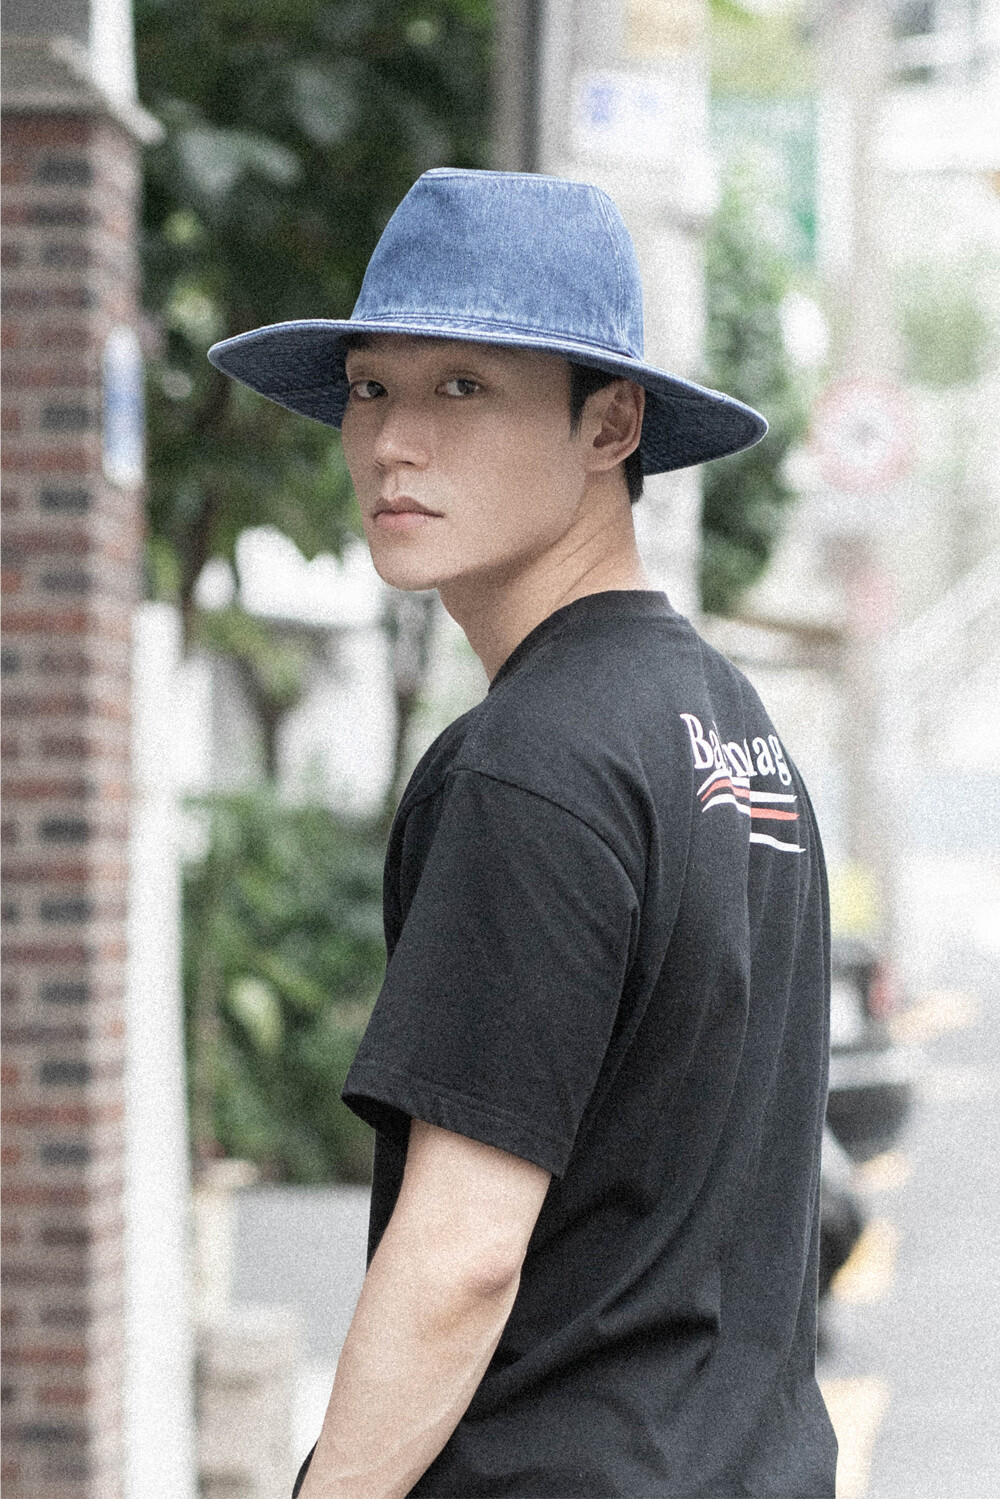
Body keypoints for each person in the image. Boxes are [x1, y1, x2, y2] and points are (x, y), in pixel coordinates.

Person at [208, 168, 838, 1499]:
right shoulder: (737, 738)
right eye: (370, 388)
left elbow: (461, 1256)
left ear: (610, 424)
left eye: (463, 388)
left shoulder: (531, 762)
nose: (394, 443)